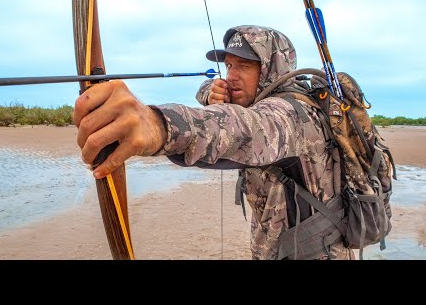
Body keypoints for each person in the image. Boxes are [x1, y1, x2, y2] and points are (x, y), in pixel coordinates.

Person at [73, 25, 354, 260]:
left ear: (272, 69)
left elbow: (241, 128)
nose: (231, 76)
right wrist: (210, 94)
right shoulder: (267, 100)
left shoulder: (290, 115)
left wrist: (157, 124)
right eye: (229, 65)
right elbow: (219, 100)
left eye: (244, 65)